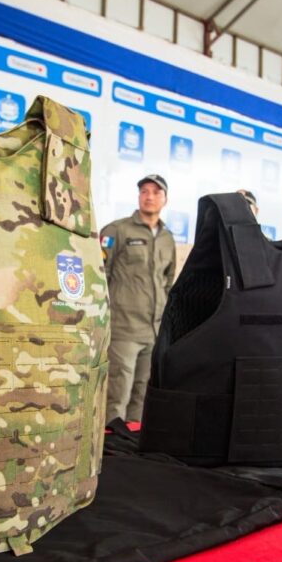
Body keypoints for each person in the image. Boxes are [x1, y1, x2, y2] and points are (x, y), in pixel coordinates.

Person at [100, 174, 177, 423]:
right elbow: (100, 276)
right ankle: (112, 442)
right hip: (123, 329)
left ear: (165, 199)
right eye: (144, 191)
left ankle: (132, 442)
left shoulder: (167, 238)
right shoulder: (116, 230)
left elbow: (168, 281)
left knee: (143, 396)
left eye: (156, 192)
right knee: (117, 396)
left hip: (153, 331)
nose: (149, 196)